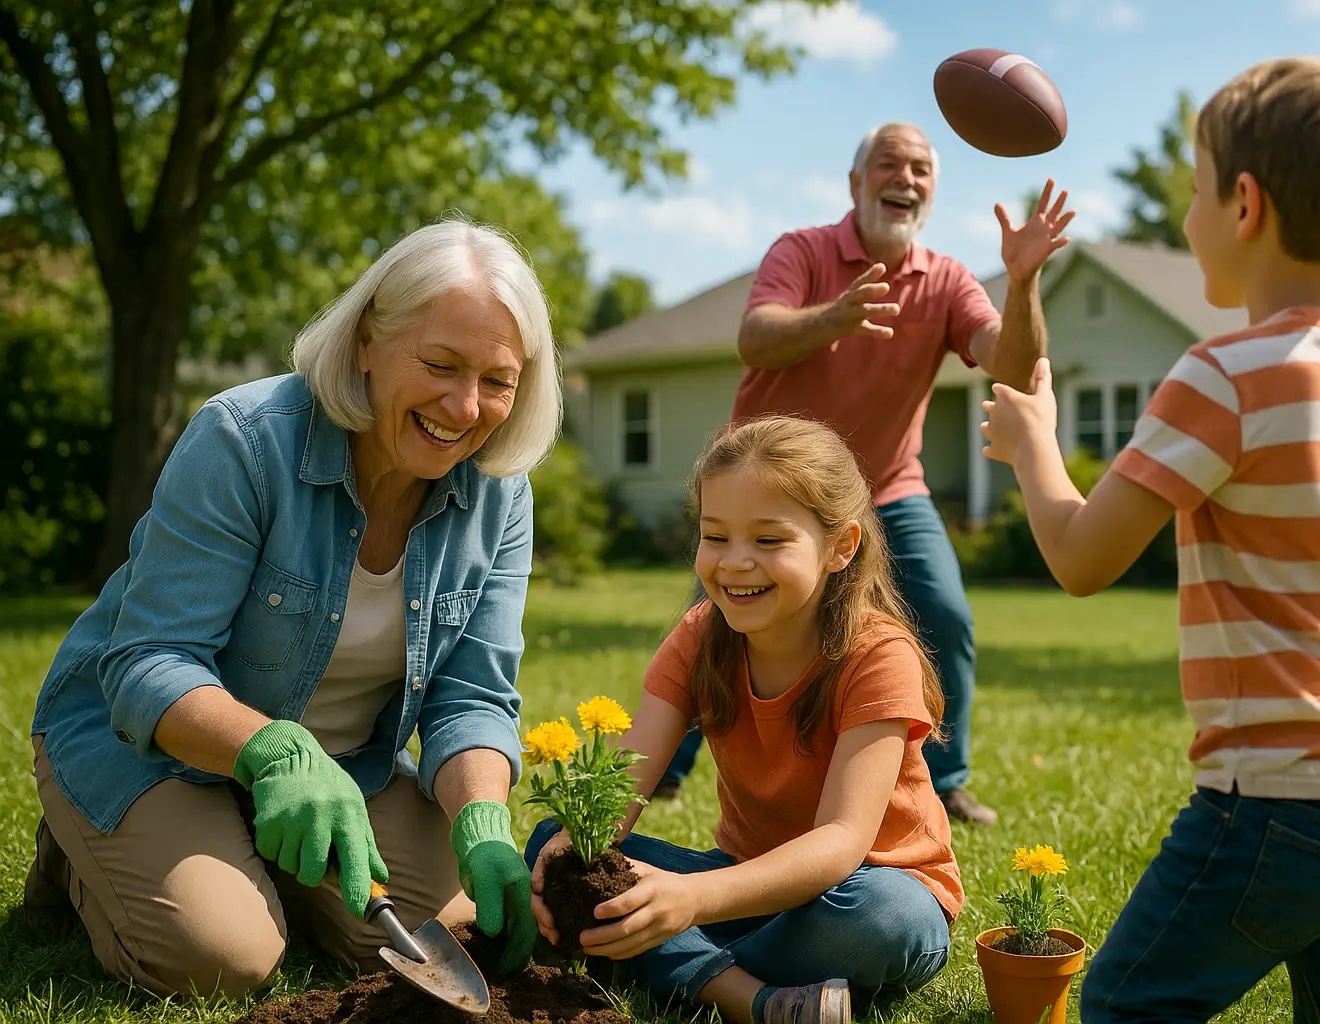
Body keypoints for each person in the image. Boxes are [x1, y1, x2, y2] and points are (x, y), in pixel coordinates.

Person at [980, 57, 1320, 1023]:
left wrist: (1033, 448)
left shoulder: (1224, 372)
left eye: (1192, 191)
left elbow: (1080, 556)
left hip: (1285, 796)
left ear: (1244, 205)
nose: (1185, 217)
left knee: (1124, 1001)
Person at [23, 218, 557, 998]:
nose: (466, 406)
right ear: (369, 340)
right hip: (147, 749)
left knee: (465, 930)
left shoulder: (500, 498)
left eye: (499, 380)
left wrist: (481, 818)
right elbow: (146, 662)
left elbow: (472, 694)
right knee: (221, 959)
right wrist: (275, 753)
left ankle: (265, 862)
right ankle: (85, 853)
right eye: (439, 364)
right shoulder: (243, 440)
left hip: (348, 773)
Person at [652, 121, 1075, 828]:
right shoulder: (805, 251)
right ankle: (662, 771)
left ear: (933, 193)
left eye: (920, 170)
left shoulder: (944, 280)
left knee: (943, 616)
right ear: (855, 183)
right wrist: (836, 318)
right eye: (889, 164)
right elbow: (756, 334)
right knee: (717, 620)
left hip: (888, 489)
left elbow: (1014, 364)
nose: (904, 179)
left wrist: (1024, 280)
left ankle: (946, 779)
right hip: (765, 490)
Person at [524, 416, 962, 1024]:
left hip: (863, 891)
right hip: (742, 888)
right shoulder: (702, 638)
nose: (734, 564)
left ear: (841, 546)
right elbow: (624, 787)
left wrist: (688, 902)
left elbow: (840, 844)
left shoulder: (878, 656)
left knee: (886, 917)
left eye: (769, 540)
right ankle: (754, 1000)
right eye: (715, 536)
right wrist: (585, 852)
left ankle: (661, 960)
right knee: (556, 844)